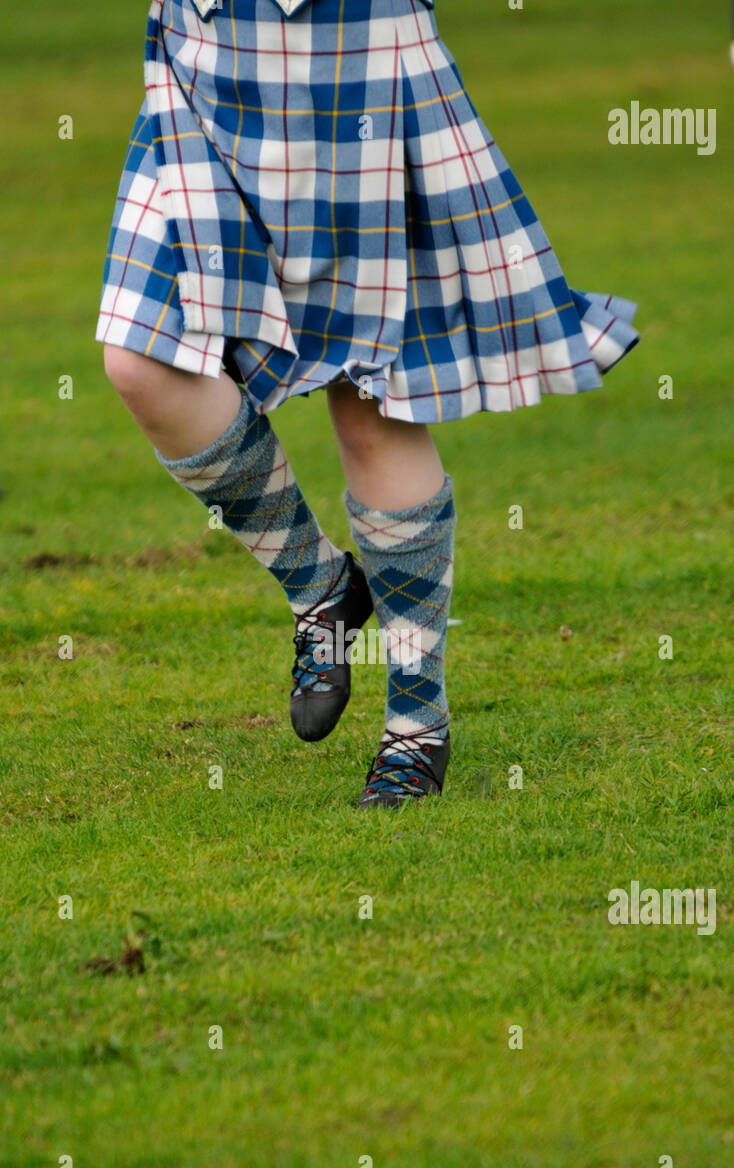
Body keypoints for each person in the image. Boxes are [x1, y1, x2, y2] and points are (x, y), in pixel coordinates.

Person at [98, 0, 638, 807]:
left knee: (371, 403)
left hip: (359, 57)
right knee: (142, 364)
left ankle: (417, 727)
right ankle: (322, 587)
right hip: (205, 60)